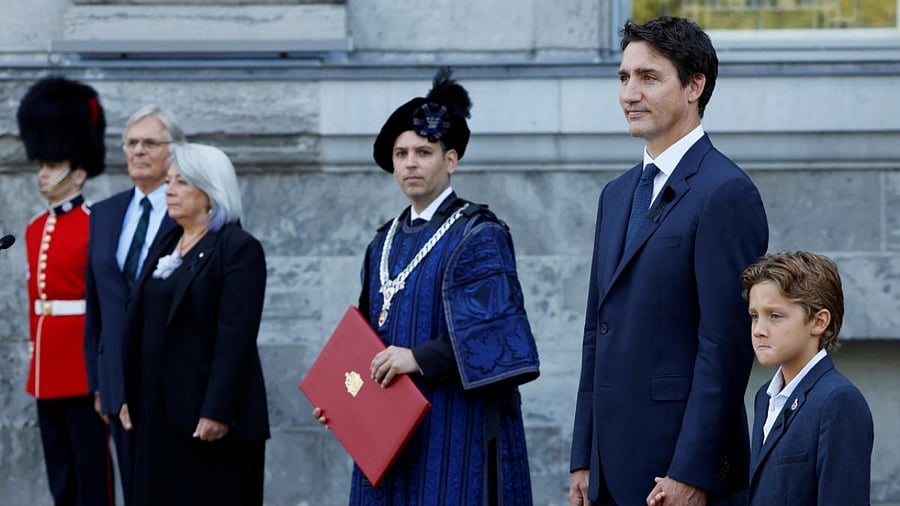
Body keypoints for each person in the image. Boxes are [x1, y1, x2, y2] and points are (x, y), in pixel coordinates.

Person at [313, 68, 540, 505]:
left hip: (455, 425)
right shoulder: (382, 241)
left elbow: (499, 336)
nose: (410, 163)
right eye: (401, 154)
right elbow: (364, 340)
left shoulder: (479, 234)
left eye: (423, 151)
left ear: (450, 160)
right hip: (385, 430)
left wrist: (417, 358)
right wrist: (342, 398)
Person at [568, 16, 769, 506]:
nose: (629, 94)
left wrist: (692, 473)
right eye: (623, 77)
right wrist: (583, 457)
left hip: (678, 474)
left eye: (649, 77)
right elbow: (599, 332)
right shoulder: (615, 196)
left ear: (694, 86)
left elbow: (724, 347)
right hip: (608, 471)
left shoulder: (726, 192)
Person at [119, 143, 270, 506]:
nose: (168, 189)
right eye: (168, 181)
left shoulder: (237, 248)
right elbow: (140, 322)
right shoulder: (168, 241)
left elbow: (235, 337)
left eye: (181, 182)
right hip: (156, 411)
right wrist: (130, 393)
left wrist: (216, 409)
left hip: (206, 417)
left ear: (210, 192)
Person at [17, 76, 115, 505]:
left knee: (91, 468)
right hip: (47, 365)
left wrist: (103, 373)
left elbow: (105, 304)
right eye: (41, 165)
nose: (43, 173)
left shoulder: (97, 222)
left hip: (82, 365)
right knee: (59, 466)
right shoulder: (35, 229)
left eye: (51, 166)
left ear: (77, 173)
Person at [83, 105, 184, 504]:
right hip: (116, 383)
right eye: (131, 143)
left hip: (172, 379)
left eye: (150, 143)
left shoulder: (192, 212)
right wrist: (98, 380)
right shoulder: (105, 214)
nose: (138, 151)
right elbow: (97, 306)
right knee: (134, 490)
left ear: (173, 151)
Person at [741, 251, 873, 506]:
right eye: (754, 316)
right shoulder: (764, 397)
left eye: (775, 316)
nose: (758, 330)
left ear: (819, 321)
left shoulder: (839, 401)